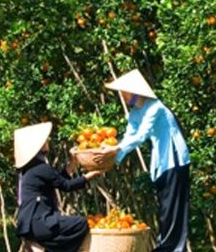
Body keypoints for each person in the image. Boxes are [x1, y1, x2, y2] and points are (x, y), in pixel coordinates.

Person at [95, 69, 191, 252]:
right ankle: (167, 246)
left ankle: (172, 248)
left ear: (133, 91)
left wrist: (115, 148)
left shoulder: (155, 107)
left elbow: (141, 135)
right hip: (161, 164)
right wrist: (110, 160)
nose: (121, 96)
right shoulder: (135, 113)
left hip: (174, 159)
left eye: (123, 92)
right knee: (165, 208)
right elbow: (129, 137)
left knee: (174, 207)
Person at [14, 122, 102, 252]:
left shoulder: (32, 168)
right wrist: (91, 175)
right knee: (81, 223)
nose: (47, 141)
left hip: (31, 225)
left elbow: (58, 180)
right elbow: (66, 186)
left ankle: (40, 245)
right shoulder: (40, 168)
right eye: (44, 140)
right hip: (40, 223)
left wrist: (73, 162)